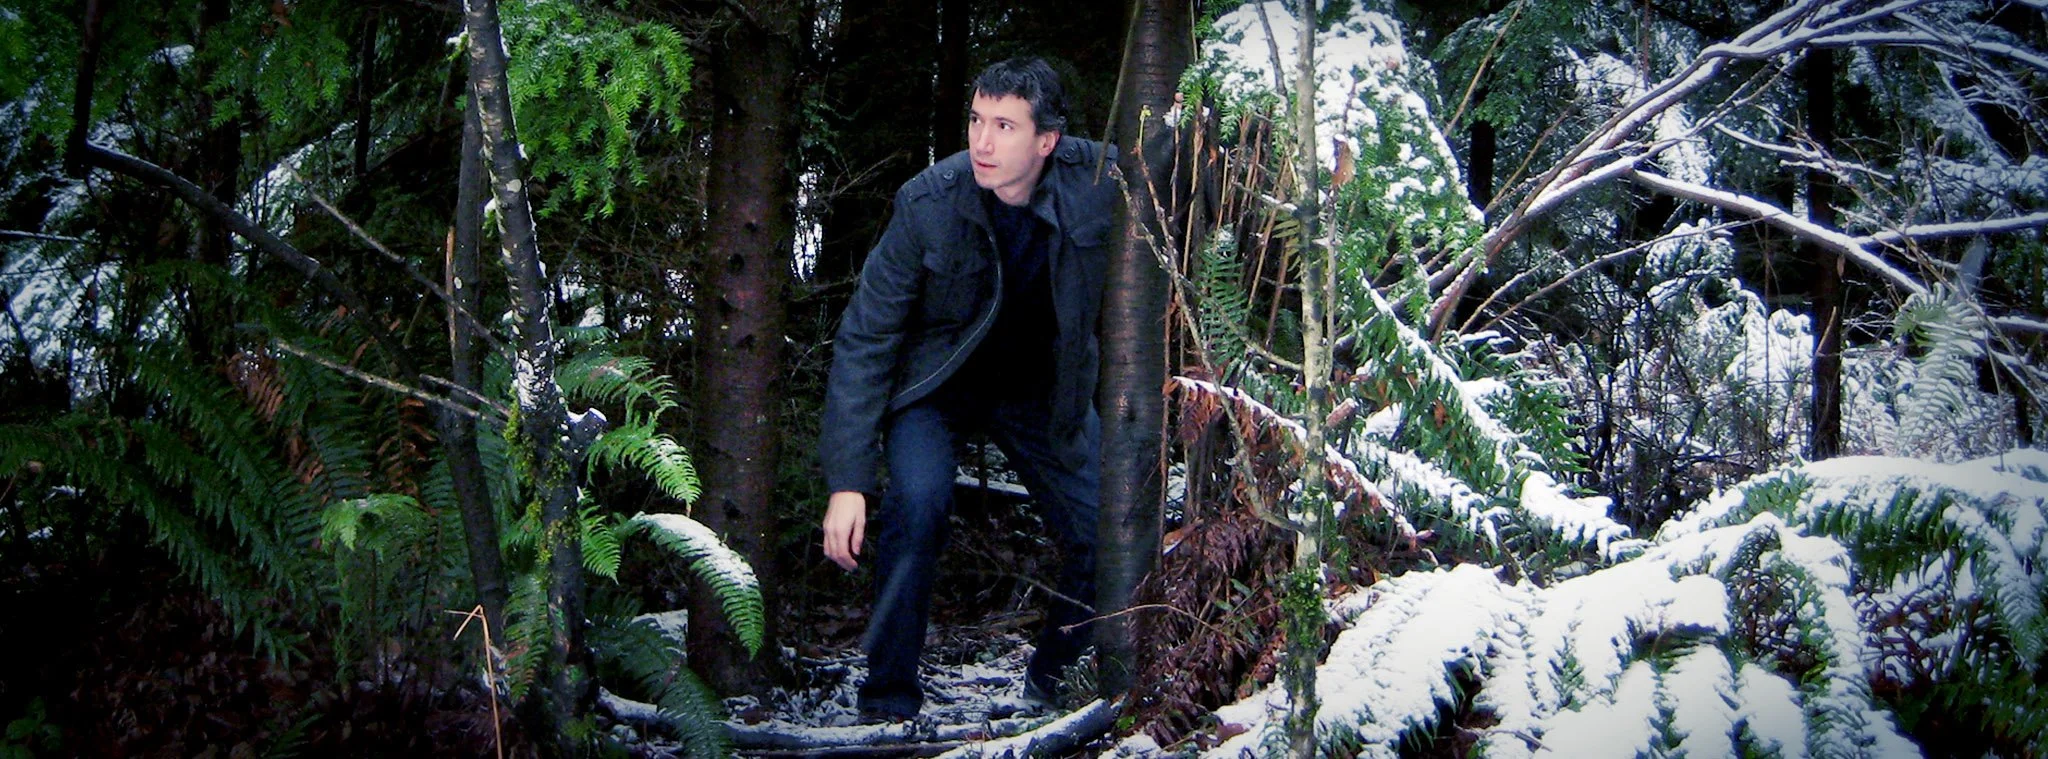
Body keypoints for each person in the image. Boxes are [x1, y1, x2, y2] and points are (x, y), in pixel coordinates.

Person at [817, 56, 1117, 720]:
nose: (982, 141)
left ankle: (1053, 685)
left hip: (1039, 390)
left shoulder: (1100, 179)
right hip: (936, 385)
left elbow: (1175, 171)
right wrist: (847, 480)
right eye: (977, 120)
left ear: (1048, 140)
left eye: (1004, 126)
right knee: (917, 505)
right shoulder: (929, 200)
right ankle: (887, 700)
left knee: (1108, 525)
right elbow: (866, 337)